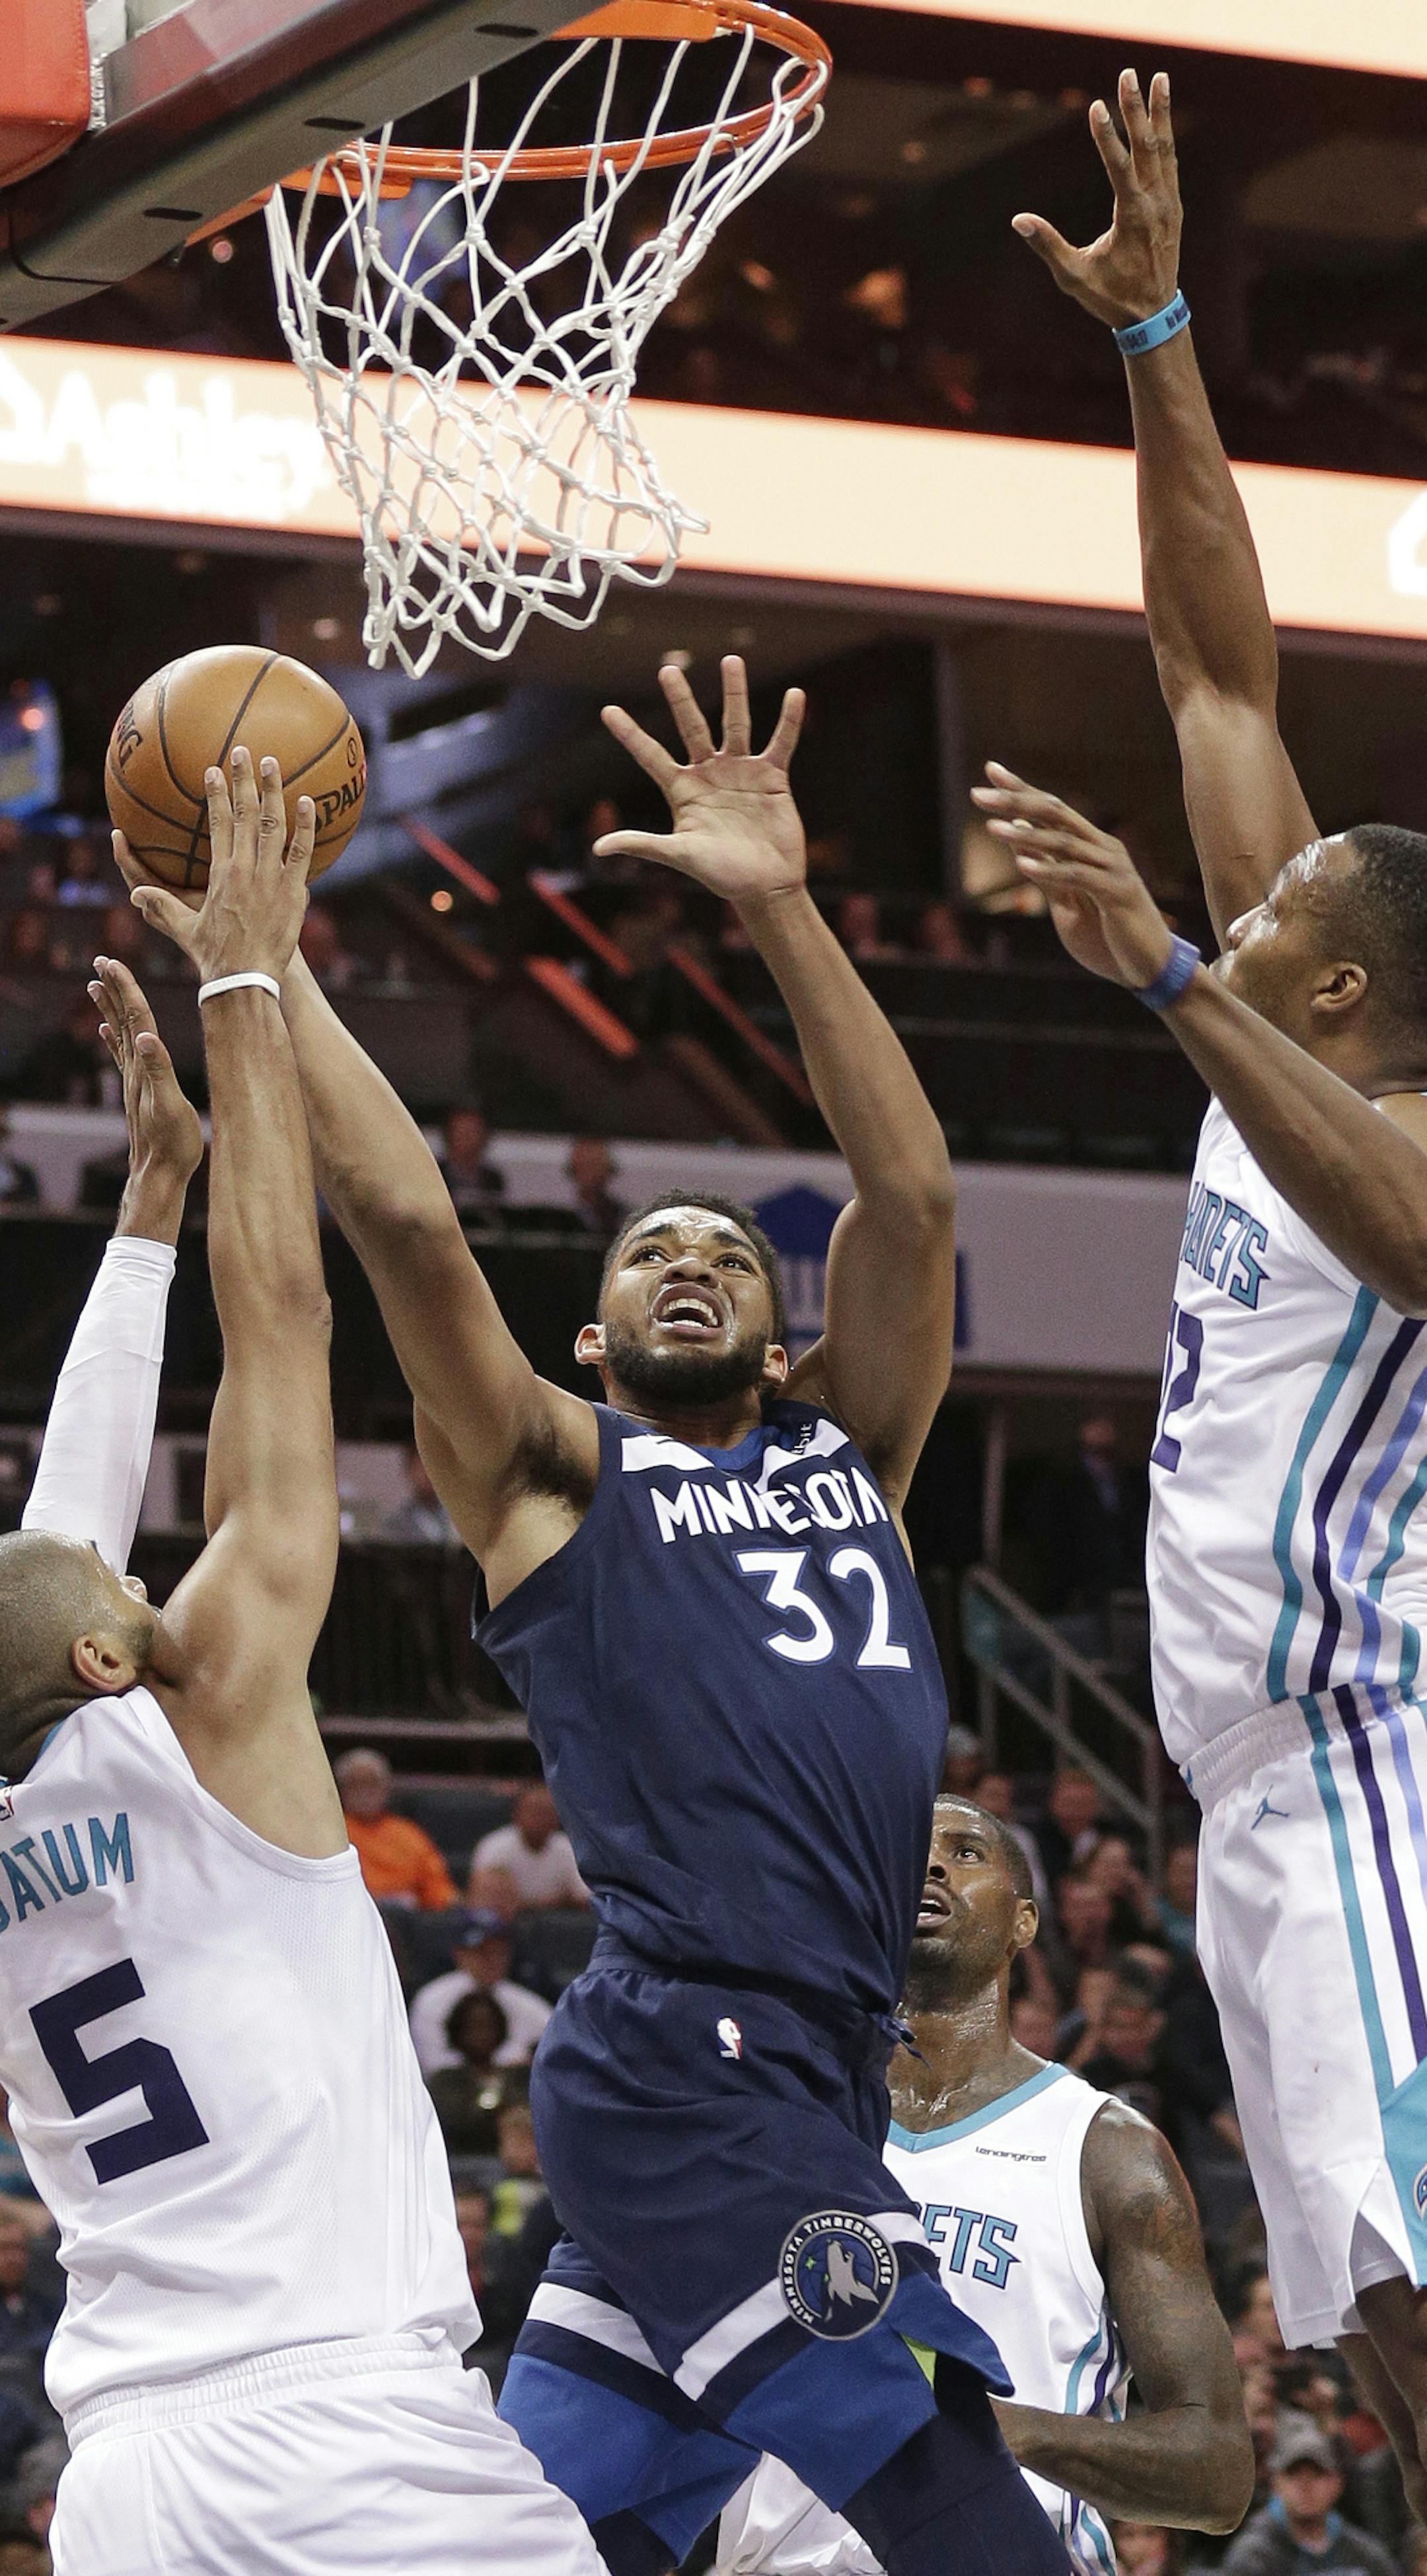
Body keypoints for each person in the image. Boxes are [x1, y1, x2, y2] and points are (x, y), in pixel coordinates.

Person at [261, 653, 1072, 2576]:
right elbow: (405, 1231)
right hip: (692, 2071)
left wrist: (781, 909)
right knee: (962, 2503)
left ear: (781, 1327)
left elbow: (917, 1196)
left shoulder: (852, 1454)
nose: (690, 1262)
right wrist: (268, 964)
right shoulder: (558, 1481)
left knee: (563, 2543)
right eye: (650, 1254)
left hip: (788, 2073)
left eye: (723, 1251)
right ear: (589, 1331)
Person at [5, 755, 603, 2576]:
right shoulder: (213, 1707)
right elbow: (289, 1321)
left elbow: (64, 1522)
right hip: (341, 2434)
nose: (77, 1522)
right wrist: (247, 985)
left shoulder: (73, 1719)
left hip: (124, 2474)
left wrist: (144, 1207)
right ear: (116, 1649)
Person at [991, 67, 1427, 2514]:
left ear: (1346, 992)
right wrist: (1156, 326)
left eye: (1276, 924)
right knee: (1374, 2334)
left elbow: (1408, 1243)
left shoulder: (1358, 1096)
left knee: (1417, 2305)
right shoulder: (1287, 1015)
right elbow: (1212, 664)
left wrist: (1167, 962)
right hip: (1258, 1790)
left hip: (1379, 1747)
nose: (1235, 894)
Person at [716, 1797, 1252, 2576]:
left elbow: (1217, 2471)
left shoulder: (1105, 2150)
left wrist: (1000, 2430)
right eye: (908, 1851)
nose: (930, 1865)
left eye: (966, 1852)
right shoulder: (778, 2125)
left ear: (1025, 1923)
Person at [1221, 2423, 1397, 2576]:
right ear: (1275, 2484)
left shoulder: (1365, 2555)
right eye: (1293, 2474)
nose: (1305, 2486)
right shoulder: (1254, 2556)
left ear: (1337, 2483)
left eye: (1317, 2474)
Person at [409, 1909, 554, 2075]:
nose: (492, 1959)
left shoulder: (528, 2003)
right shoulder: (432, 2000)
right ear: (460, 1954)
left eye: (499, 1951)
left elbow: (554, 2055)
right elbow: (435, 2065)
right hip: (451, 2095)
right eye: (482, 1951)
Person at [334, 1746, 458, 1909]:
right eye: (356, 1784)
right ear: (341, 1790)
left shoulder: (409, 1834)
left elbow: (439, 1889)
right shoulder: (332, 1834)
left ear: (386, 1788)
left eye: (372, 1783)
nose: (364, 1792)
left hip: (406, 1921)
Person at [426, 1993, 527, 2156]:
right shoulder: (445, 2081)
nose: (481, 2034)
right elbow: (456, 2124)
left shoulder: (517, 2077)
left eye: (488, 2026)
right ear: (458, 2030)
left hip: (510, 2162)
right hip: (461, 2164)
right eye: (473, 2026)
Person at [469, 1784, 589, 1912]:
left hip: (554, 1923)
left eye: (547, 1813)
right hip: (508, 1924)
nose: (540, 1819)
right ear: (517, 1814)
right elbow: (481, 1900)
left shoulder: (568, 1847)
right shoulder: (495, 1845)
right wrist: (559, 1901)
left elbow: (584, 1899)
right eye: (534, 1812)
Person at [381, 1442, 460, 1547]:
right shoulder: (396, 1525)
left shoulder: (460, 1517)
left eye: (434, 1466)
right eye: (422, 1467)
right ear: (410, 1470)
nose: (428, 1475)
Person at [439, 1105, 505, 1222]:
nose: (467, 1139)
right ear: (448, 1136)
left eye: (473, 1132)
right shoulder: (436, 1174)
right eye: (461, 1133)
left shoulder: (493, 1179)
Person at [566, 1138, 624, 1239]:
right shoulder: (562, 1213)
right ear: (573, 1169)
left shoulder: (623, 1216)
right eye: (584, 1165)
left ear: (608, 1169)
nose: (590, 1174)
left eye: (595, 1164)